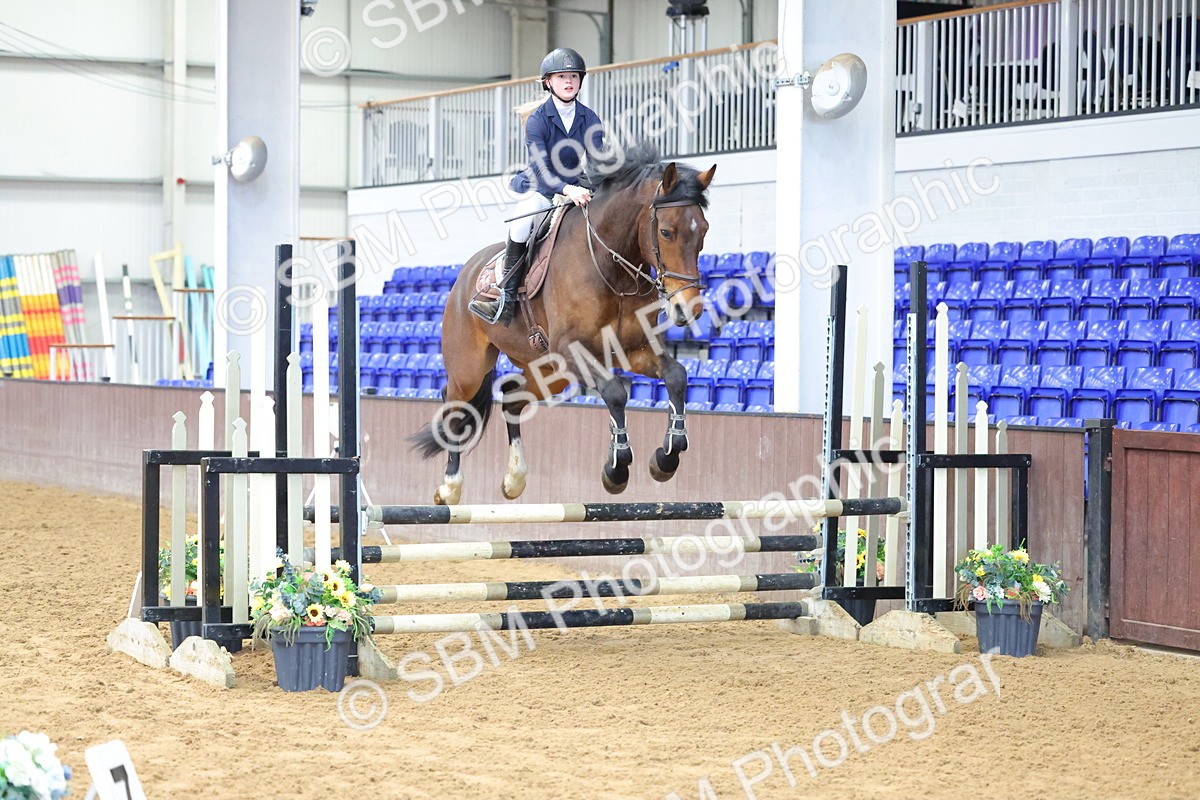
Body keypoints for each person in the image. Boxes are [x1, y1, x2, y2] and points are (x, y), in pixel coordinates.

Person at [469, 47, 607, 326]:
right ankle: (506, 298)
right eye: (561, 76)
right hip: (541, 186)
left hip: (577, 186)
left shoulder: (589, 118)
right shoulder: (537, 120)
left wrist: (596, 187)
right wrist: (568, 190)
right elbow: (543, 169)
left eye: (573, 76)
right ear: (548, 82)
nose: (568, 81)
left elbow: (597, 163)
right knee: (522, 222)